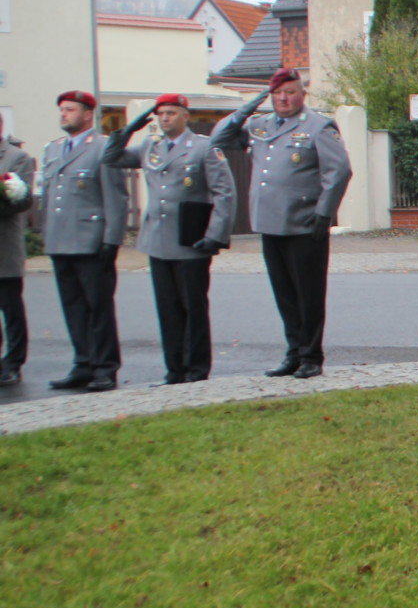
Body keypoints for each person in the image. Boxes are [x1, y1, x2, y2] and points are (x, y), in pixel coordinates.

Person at [209, 69, 351, 379]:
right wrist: (248, 106)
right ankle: (293, 353)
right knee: (284, 294)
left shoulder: (318, 126)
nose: (283, 98)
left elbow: (338, 171)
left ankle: (311, 356)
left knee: (308, 294)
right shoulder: (260, 126)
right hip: (270, 223)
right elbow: (217, 140)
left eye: (289, 92)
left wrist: (324, 213)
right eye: (277, 93)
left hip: (303, 223)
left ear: (302, 94)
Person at [103, 94, 237, 385]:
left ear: (185, 116)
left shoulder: (204, 147)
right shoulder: (150, 146)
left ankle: (196, 369)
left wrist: (215, 235)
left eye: (172, 113)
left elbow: (224, 193)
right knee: (168, 309)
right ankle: (174, 370)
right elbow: (110, 158)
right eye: (161, 113)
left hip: (190, 239)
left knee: (193, 308)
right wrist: (126, 130)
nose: (165, 118)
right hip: (158, 240)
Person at [41, 90, 129, 392]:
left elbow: (116, 198)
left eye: (70, 110)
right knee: (73, 307)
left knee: (98, 308)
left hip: (91, 241)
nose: (64, 114)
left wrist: (112, 240)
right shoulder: (53, 150)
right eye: (62, 110)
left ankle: (105, 367)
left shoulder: (102, 148)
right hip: (60, 240)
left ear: (88, 113)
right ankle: (83, 362)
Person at [0, 115, 34, 388]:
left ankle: (13, 362)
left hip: (4, 248)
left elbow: (20, 202)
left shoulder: (17, 158)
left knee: (11, 308)